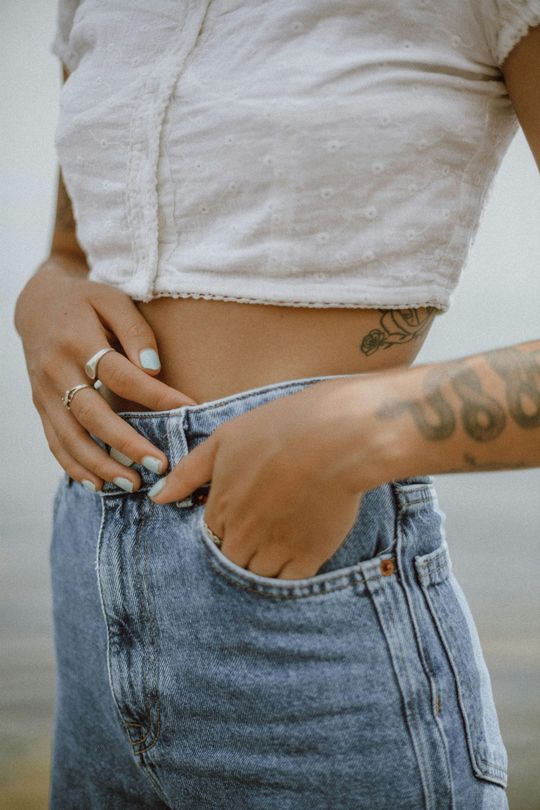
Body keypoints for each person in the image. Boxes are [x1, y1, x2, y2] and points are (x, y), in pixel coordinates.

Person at [13, 1, 540, 807]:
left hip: (308, 617)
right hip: (89, 575)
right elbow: (74, 251)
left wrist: (357, 434)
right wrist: (42, 300)